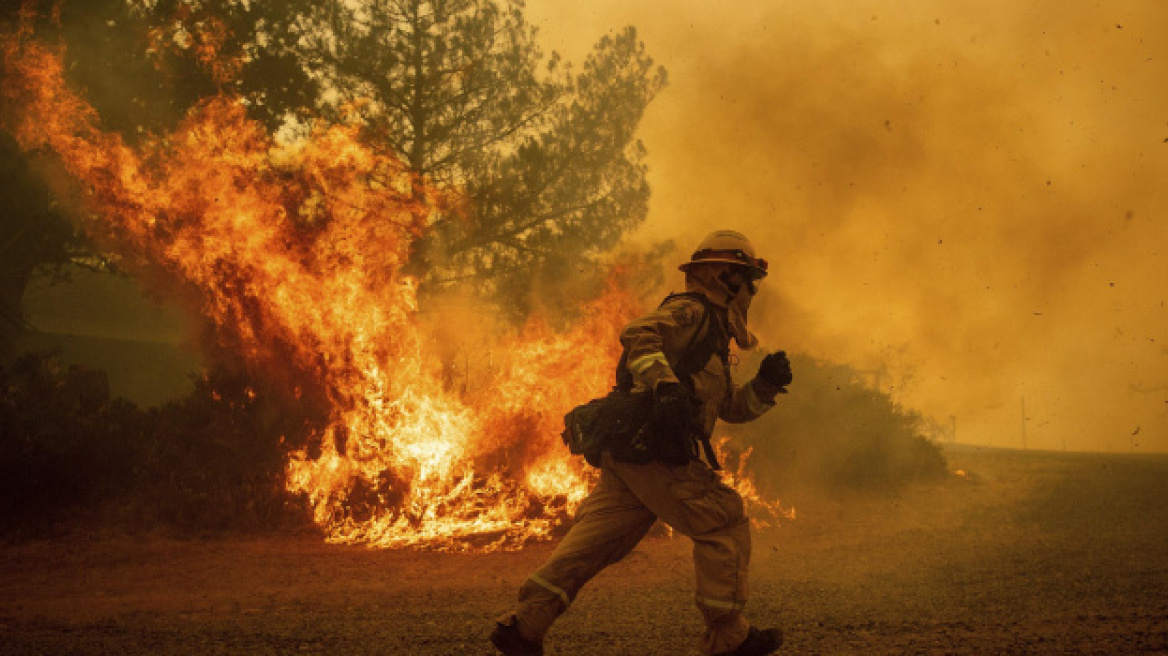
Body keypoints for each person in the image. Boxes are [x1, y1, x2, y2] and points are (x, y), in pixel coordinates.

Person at [491, 230, 793, 656]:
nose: (752, 291)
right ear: (726, 277)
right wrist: (665, 386)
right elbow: (638, 335)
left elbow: (728, 408)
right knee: (723, 520)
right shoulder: (692, 311)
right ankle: (730, 639)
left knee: (597, 541)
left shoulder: (714, 338)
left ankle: (523, 627)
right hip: (655, 451)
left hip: (633, 456)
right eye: (749, 280)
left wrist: (765, 386)